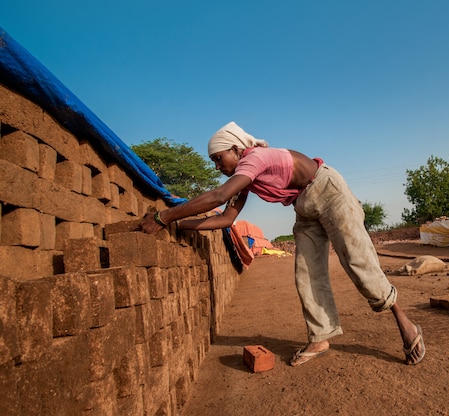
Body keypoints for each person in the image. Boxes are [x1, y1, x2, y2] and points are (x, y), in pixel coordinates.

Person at [140, 121, 426, 366]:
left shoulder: (255, 158)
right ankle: (320, 338)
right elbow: (227, 218)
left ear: (237, 150)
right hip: (304, 206)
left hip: (327, 190)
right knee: (307, 272)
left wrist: (163, 216)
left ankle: (405, 323)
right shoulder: (246, 177)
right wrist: (178, 225)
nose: (216, 166)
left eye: (218, 158)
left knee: (357, 261)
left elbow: (217, 196)